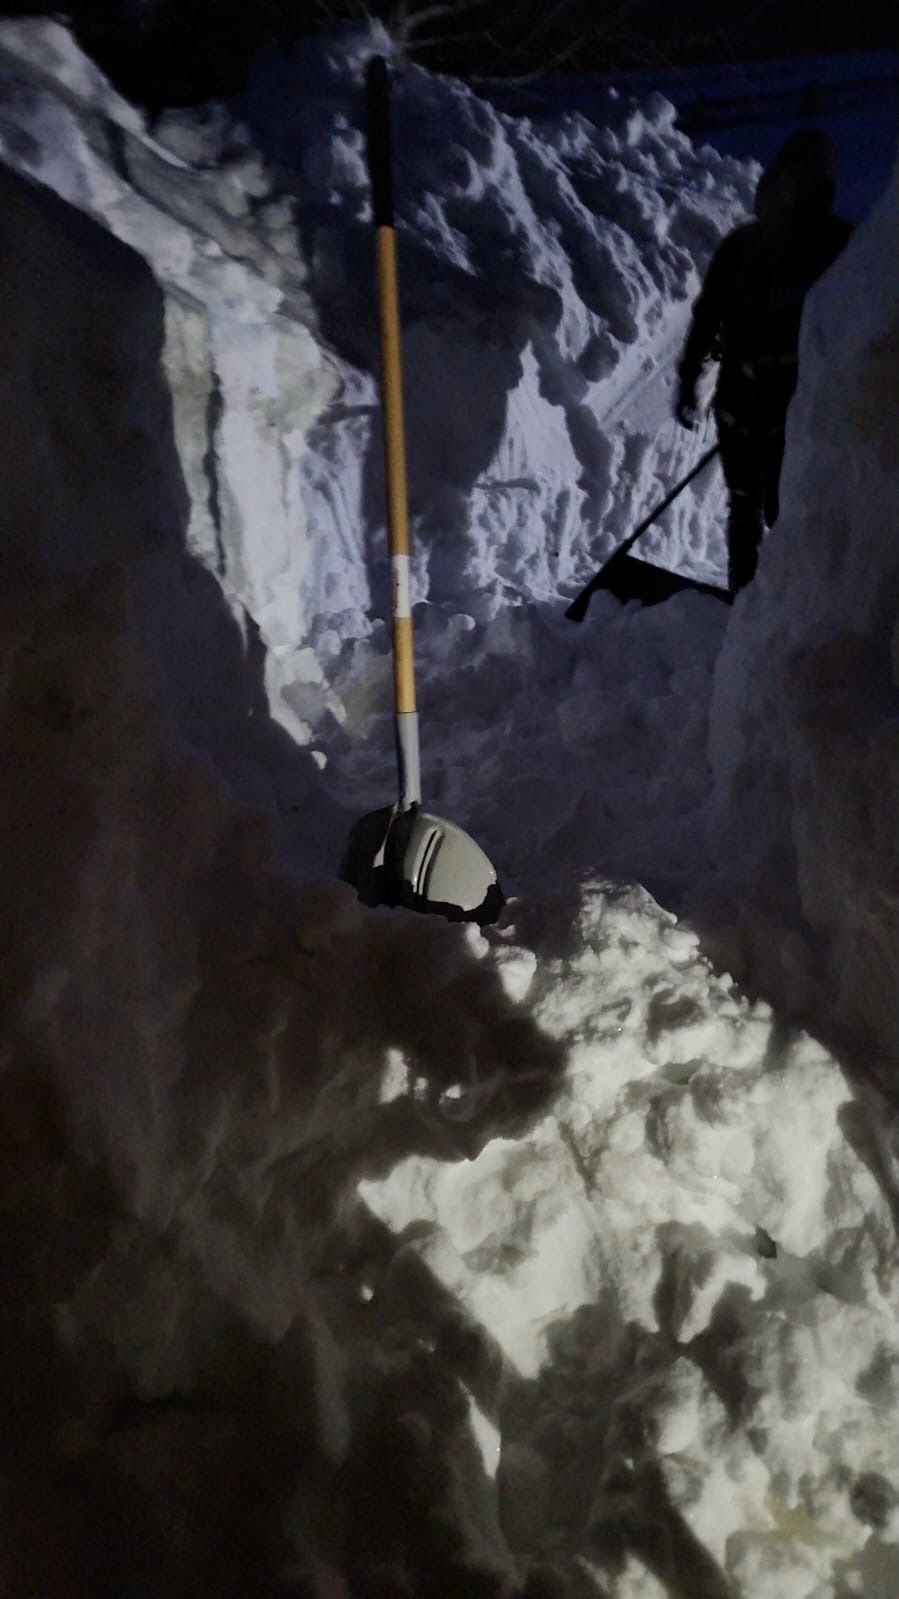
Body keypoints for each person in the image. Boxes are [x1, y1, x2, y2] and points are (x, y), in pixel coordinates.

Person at [675, 130, 852, 592]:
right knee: (746, 507)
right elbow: (708, 315)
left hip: (797, 407)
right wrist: (688, 379)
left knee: (783, 511)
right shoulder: (746, 246)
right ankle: (747, 604)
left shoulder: (840, 247)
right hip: (743, 401)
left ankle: (780, 607)